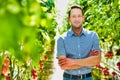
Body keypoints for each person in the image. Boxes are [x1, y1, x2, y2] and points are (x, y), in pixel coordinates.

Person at [56, 5, 101, 80]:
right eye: (73, 16)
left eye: (79, 16)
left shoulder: (93, 36)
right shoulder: (61, 39)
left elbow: (97, 60)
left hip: (88, 78)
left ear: (83, 18)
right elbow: (63, 66)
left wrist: (72, 62)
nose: (77, 19)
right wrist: (88, 60)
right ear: (69, 19)